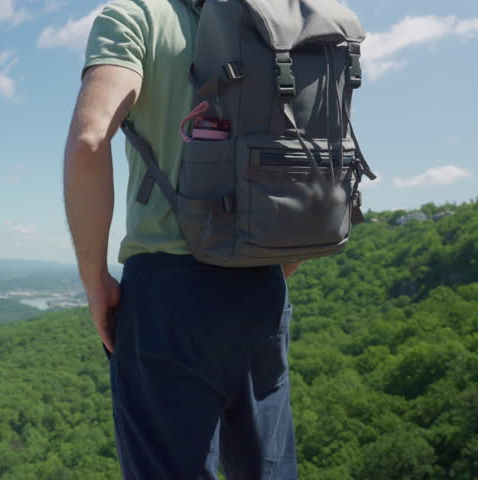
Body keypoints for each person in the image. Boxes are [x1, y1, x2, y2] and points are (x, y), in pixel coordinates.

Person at [63, 0, 301, 478]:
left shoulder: (136, 16)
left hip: (168, 292)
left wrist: (95, 282)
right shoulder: (281, 23)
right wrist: (275, 264)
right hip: (262, 287)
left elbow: (90, 140)